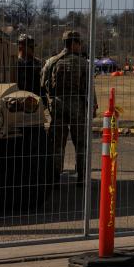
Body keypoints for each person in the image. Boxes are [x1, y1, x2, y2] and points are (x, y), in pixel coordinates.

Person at [41, 30, 96, 186]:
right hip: (77, 106)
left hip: (57, 105)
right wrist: (91, 106)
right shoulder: (83, 63)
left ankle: (55, 177)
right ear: (73, 43)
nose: (80, 46)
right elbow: (89, 88)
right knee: (81, 143)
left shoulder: (51, 62)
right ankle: (82, 177)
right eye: (79, 43)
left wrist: (51, 99)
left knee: (57, 144)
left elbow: (43, 83)